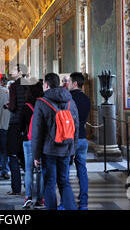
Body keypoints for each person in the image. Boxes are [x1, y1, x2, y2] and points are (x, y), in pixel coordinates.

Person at [31, 73, 80, 210]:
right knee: (65, 182)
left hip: (49, 150)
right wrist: (73, 149)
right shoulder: (70, 101)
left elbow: (37, 131)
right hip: (66, 148)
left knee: (50, 183)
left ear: (46, 84)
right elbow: (76, 126)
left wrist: (35, 155)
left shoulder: (41, 102)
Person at [19, 80, 45, 209]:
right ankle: (40, 198)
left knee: (28, 170)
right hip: (42, 141)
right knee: (40, 171)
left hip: (28, 141)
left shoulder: (25, 107)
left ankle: (28, 196)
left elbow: (20, 126)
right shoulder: (45, 104)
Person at [67, 72, 91, 210]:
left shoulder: (69, 98)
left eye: (69, 81)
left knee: (64, 172)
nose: (68, 83)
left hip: (70, 138)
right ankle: (84, 202)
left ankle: (66, 202)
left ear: (75, 83)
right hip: (82, 137)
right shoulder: (87, 99)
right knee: (82, 170)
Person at [6, 64, 28, 195]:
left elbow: (13, 106)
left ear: (20, 72)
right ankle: (29, 185)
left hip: (15, 123)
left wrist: (8, 106)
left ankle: (16, 188)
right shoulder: (31, 84)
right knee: (26, 157)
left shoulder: (14, 86)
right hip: (28, 124)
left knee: (13, 155)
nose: (11, 71)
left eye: (13, 69)